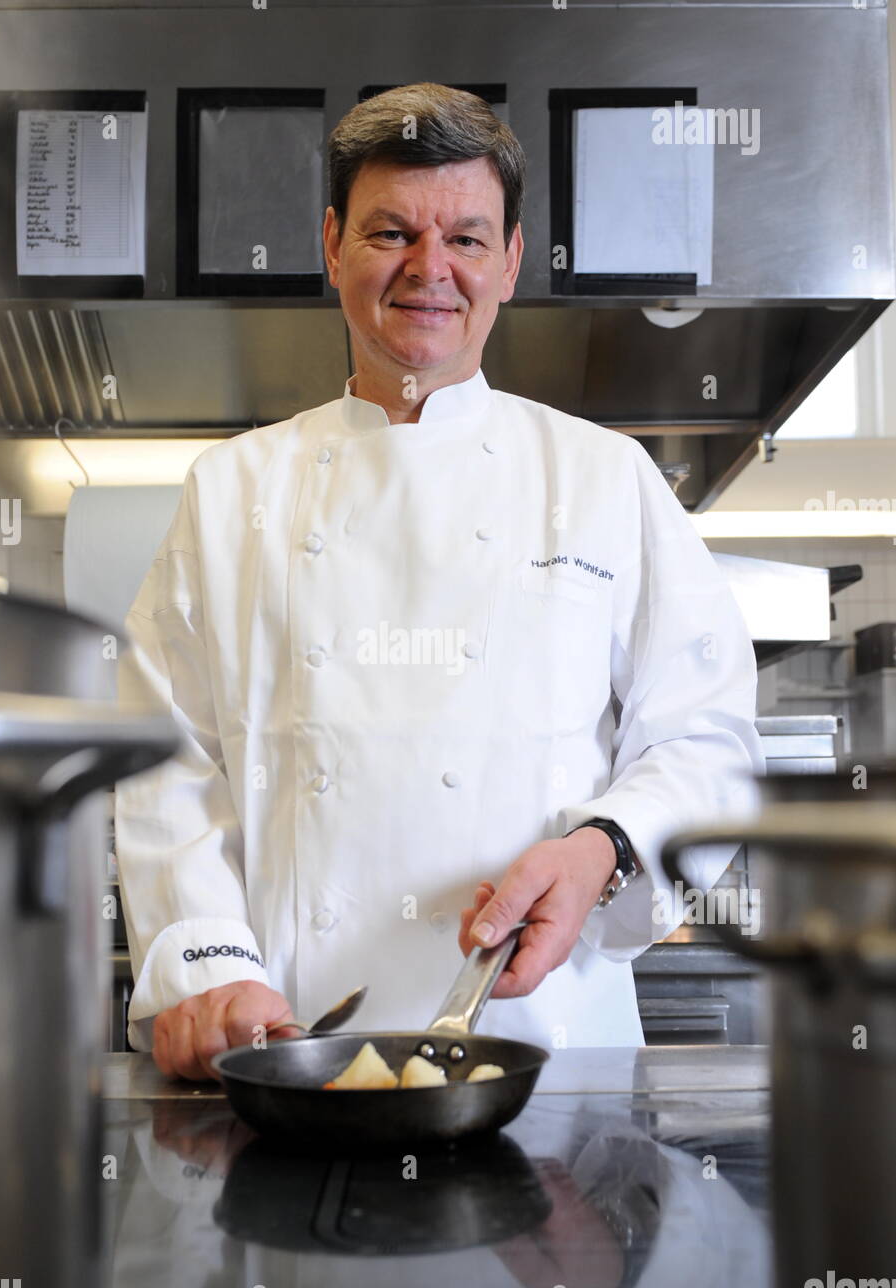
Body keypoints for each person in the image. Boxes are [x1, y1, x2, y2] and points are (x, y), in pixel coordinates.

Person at [114, 83, 765, 1080]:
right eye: (391, 233)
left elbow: (708, 735)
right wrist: (209, 966)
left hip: (550, 1060)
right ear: (332, 246)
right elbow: (167, 756)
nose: (431, 270)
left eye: (466, 237)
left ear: (509, 260)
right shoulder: (229, 491)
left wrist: (608, 847)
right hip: (298, 1058)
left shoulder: (603, 480)